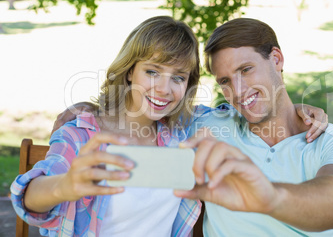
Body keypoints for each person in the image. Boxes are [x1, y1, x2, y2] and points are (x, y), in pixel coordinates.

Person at [10, 16, 203, 237]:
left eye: (178, 78)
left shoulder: (184, 132)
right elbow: (27, 198)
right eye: (152, 72)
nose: (164, 89)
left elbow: (235, 112)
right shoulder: (82, 134)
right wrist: (65, 185)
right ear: (130, 71)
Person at [174, 18, 333, 236]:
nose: (237, 91)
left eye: (246, 70)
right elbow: (151, 112)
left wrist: (268, 197)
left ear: (276, 59)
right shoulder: (209, 127)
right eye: (225, 81)